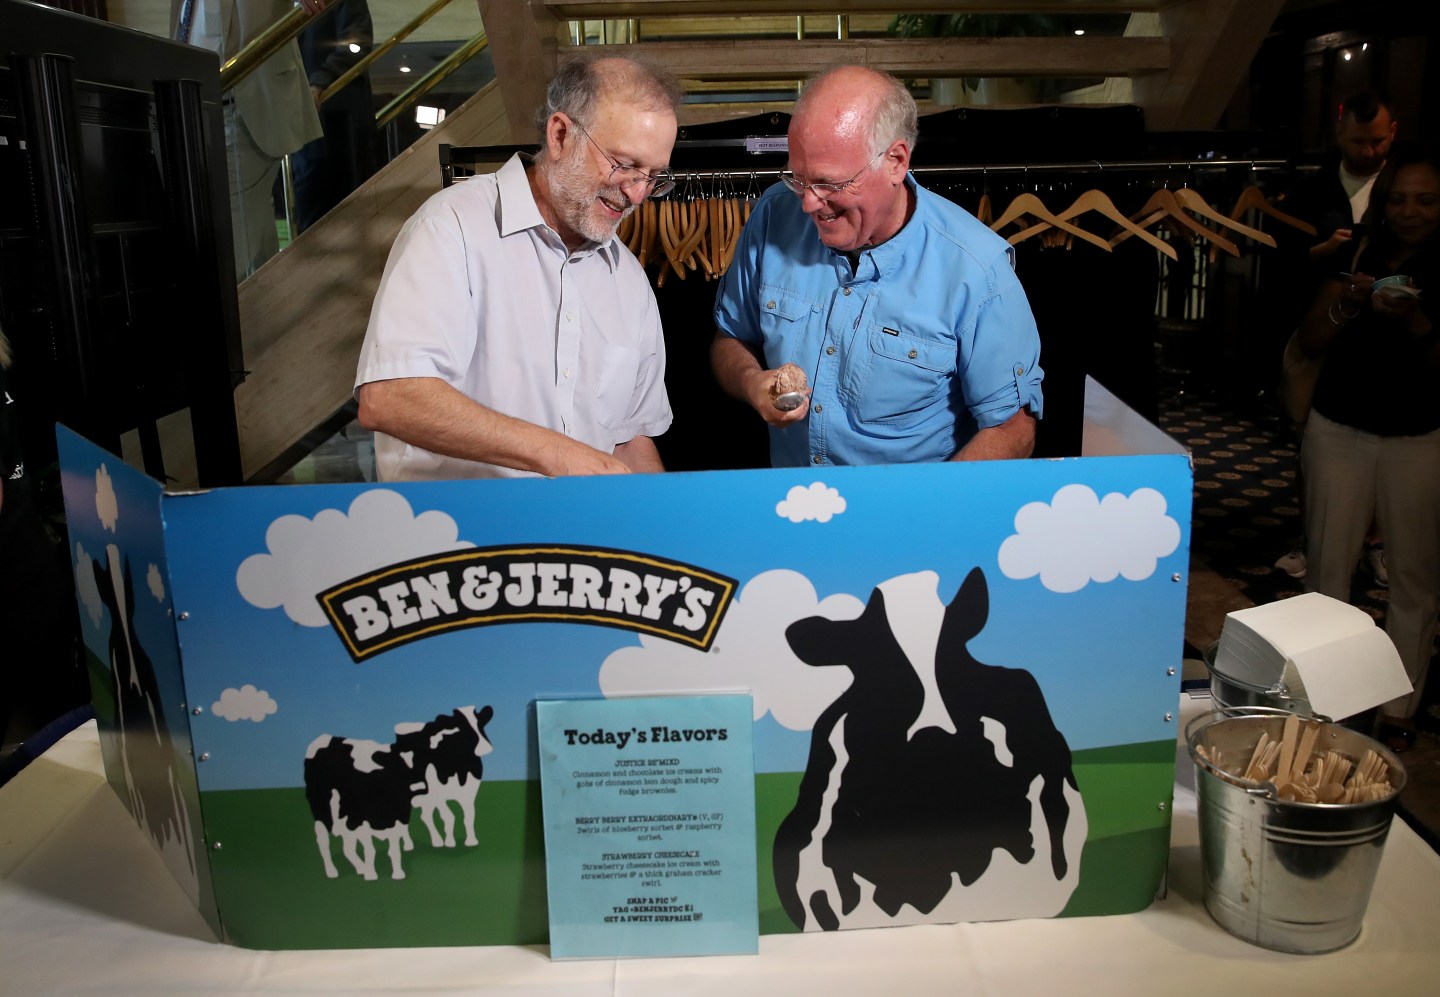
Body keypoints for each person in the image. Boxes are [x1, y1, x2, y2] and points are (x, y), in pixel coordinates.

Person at [354, 56, 682, 481]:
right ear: (560, 135)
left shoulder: (629, 281)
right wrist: (554, 453)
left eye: (653, 177)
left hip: (579, 527)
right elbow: (390, 396)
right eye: (624, 164)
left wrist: (660, 514)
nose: (637, 194)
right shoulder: (452, 227)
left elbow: (628, 438)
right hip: (459, 523)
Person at [711, 64, 1042, 467]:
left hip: (913, 504)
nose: (808, 203)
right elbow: (730, 338)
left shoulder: (977, 270)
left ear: (895, 161)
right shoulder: (772, 216)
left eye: (830, 184)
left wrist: (926, 504)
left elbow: (1012, 429)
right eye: (798, 179)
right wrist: (752, 383)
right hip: (794, 496)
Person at [1293, 141, 1440, 736]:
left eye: (1425, 200)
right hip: (1339, 429)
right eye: (1399, 199)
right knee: (1328, 572)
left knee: (1413, 579)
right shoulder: (1359, 248)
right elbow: (1310, 339)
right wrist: (1350, 303)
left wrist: (1417, 321)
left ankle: (1399, 710)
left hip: (1420, 438)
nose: (1410, 212)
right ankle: (1325, 702)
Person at [1267, 90, 1398, 581]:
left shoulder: (1402, 188)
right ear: (1339, 132)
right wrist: (1318, 253)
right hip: (1320, 327)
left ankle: (1377, 543)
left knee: (1388, 439)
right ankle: (1313, 539)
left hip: (1389, 334)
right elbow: (1279, 260)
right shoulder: (1312, 189)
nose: (1369, 151)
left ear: (1393, 133)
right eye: (1359, 141)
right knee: (1312, 439)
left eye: (1378, 141)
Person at [173, 0, 325, 278]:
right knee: (253, 235)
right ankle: (265, 301)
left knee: (232, 241)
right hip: (201, 108)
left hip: (243, 104)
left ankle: (239, 303)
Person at [291, 0, 378, 234]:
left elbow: (357, 44)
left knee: (352, 223)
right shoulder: (286, 8)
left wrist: (319, 82)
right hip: (307, 133)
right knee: (312, 228)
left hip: (343, 129)